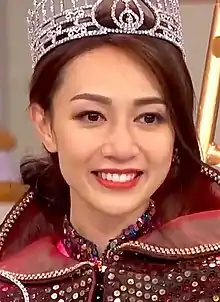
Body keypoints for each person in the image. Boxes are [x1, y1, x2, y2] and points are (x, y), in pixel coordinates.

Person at [0, 0, 220, 301]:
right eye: (92, 116)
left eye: (149, 117)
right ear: (45, 125)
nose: (121, 147)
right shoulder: (11, 284)